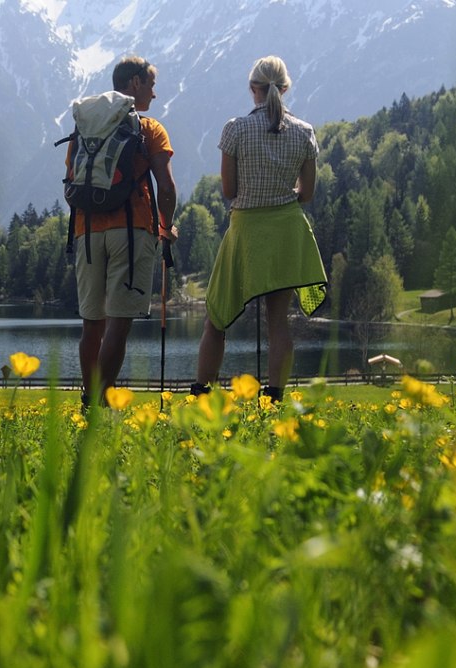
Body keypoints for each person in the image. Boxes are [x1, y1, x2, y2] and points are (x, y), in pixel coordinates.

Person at [193, 56, 327, 401]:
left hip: (246, 233)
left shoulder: (235, 129)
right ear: (285, 89)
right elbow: (307, 194)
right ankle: (275, 396)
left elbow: (228, 191)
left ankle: (202, 394)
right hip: (286, 231)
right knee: (278, 321)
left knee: (217, 318)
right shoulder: (305, 132)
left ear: (253, 89)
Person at [72, 56, 178, 406]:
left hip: (86, 232)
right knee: (119, 323)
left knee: (92, 323)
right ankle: (100, 403)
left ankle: (89, 401)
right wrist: (165, 225)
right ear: (133, 83)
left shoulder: (85, 126)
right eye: (150, 84)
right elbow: (165, 186)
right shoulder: (149, 129)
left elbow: (70, 183)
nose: (154, 93)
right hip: (132, 232)